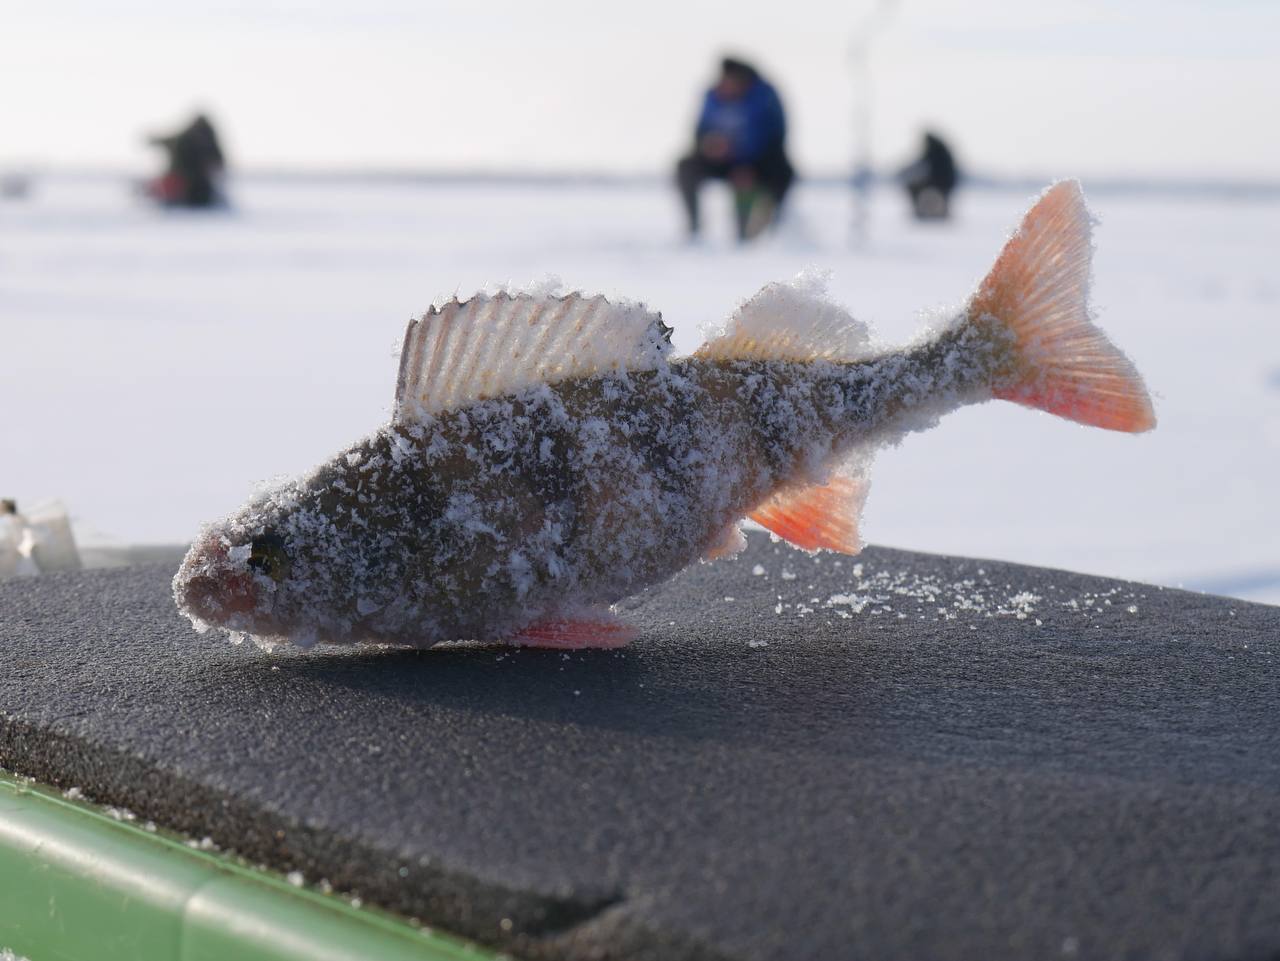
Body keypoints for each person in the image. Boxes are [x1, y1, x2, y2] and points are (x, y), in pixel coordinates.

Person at [676, 57, 795, 242]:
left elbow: (775, 137)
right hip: (722, 159)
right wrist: (708, 145)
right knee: (686, 167)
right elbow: (700, 131)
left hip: (760, 162)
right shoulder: (713, 96)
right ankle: (694, 230)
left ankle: (766, 233)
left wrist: (747, 163)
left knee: (776, 176)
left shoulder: (764, 98)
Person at [145, 113, 227, 208]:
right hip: (185, 182)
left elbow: (218, 162)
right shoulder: (206, 142)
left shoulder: (185, 138)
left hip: (189, 183)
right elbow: (219, 161)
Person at [900, 131, 958, 221]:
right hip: (947, 183)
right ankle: (941, 211)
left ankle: (920, 210)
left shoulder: (933, 151)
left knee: (913, 187)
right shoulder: (940, 150)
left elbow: (923, 165)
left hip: (941, 182)